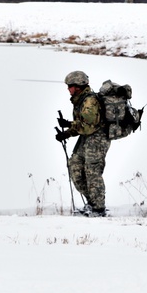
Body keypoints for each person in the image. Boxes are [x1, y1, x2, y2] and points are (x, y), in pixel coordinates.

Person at [55, 70, 110, 217]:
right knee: (75, 168)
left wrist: (68, 124)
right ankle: (92, 202)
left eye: (70, 86)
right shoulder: (79, 100)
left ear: (78, 85)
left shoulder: (89, 101)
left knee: (92, 172)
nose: (68, 89)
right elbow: (81, 126)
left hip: (97, 139)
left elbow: (88, 126)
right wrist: (66, 133)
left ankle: (99, 208)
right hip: (86, 138)